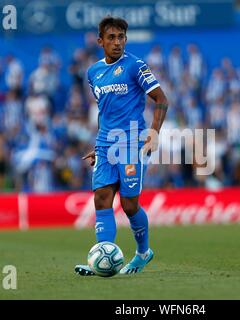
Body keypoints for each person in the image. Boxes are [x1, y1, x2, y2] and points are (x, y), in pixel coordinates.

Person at [75, 16, 169, 276]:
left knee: (129, 205)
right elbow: (106, 111)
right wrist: (99, 146)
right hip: (106, 144)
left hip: (131, 142)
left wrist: (154, 132)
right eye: (112, 38)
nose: (117, 43)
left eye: (121, 38)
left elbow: (161, 99)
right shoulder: (93, 73)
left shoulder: (135, 66)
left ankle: (143, 252)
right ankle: (101, 260)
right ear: (100, 41)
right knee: (101, 198)